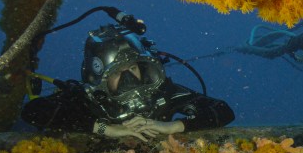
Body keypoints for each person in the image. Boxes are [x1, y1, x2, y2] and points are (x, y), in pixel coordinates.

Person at [22, 24, 234, 141]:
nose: (129, 79)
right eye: (118, 73)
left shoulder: (162, 93)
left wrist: (172, 126)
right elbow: (34, 111)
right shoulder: (91, 99)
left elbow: (222, 111)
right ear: (99, 78)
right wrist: (107, 129)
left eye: (133, 68)